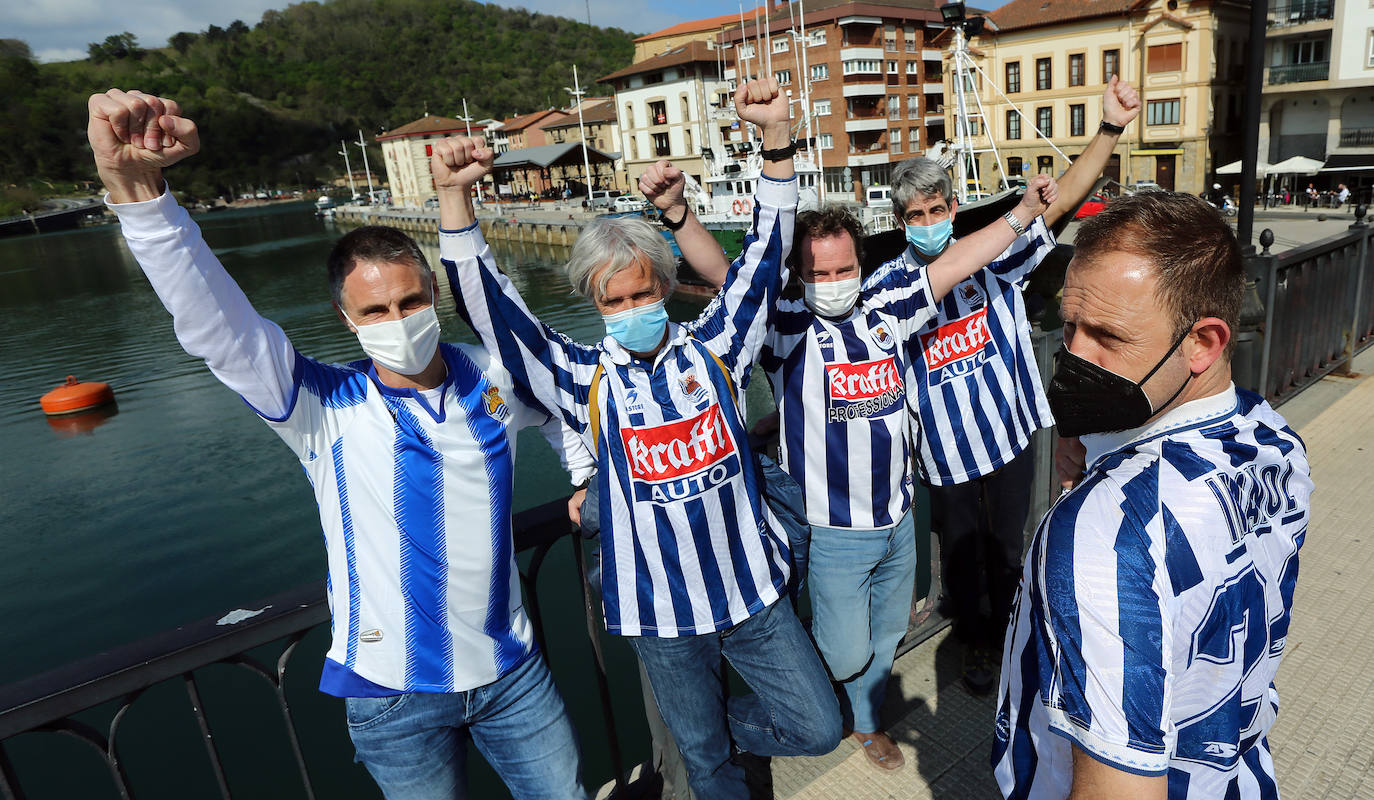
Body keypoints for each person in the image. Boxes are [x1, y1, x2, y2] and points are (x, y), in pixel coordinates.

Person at [86, 89, 592, 800]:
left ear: (434, 300)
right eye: (375, 310)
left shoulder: (492, 374)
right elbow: (218, 328)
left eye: (412, 302)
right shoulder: (321, 405)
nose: (398, 320)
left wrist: (584, 473)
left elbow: (563, 405)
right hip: (393, 698)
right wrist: (145, 201)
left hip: (513, 674)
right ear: (345, 318)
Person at [432, 79, 841, 800]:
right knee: (708, 768)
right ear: (595, 304)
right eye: (613, 300)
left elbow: (766, 256)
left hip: (753, 596)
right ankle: (703, 738)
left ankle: (711, 723)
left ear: (666, 285)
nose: (630, 309)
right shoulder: (582, 377)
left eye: (642, 293)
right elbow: (496, 315)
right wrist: (456, 204)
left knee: (817, 727)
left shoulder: (716, 349)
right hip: (660, 615)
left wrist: (776, 138)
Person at [643, 158, 1060, 769]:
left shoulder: (888, 305)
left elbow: (958, 261)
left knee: (888, 638)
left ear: (860, 266)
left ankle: (864, 722)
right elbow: (724, 273)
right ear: (799, 277)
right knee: (841, 653)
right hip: (835, 532)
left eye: (844, 268)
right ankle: (757, 712)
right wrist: (678, 214)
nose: (834, 280)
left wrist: (1023, 214)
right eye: (819, 272)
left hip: (897, 520)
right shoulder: (785, 325)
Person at [992, 191, 1312, 798]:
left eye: (1107, 336)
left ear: (1204, 342)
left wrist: (1096, 497)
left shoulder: (1107, 529)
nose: (1071, 356)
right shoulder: (1274, 440)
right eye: (1068, 325)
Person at [875, 76, 1142, 694]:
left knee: (1009, 544)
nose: (927, 222)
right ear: (901, 221)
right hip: (944, 452)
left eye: (937, 210)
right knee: (963, 558)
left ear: (951, 207)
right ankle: (975, 642)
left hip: (1009, 432)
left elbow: (1064, 201)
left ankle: (1017, 634)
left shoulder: (990, 255)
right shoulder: (889, 285)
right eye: (914, 215)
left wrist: (1109, 128)